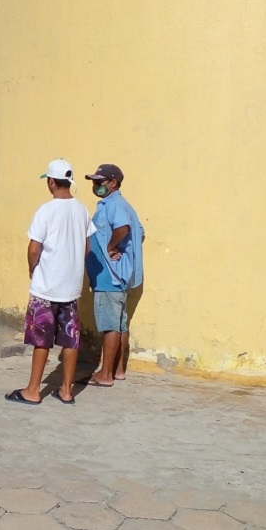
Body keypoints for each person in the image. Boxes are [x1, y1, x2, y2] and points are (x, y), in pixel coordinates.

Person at [5, 160, 96, 405]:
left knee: (41, 339)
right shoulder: (82, 210)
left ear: (51, 181)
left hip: (46, 287)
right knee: (70, 338)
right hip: (71, 287)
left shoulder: (45, 210)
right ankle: (66, 390)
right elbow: (87, 247)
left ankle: (33, 390)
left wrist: (31, 268)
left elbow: (34, 248)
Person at [84, 163, 144, 386]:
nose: (96, 185)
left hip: (109, 277)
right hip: (120, 277)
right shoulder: (122, 205)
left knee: (110, 326)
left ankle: (105, 375)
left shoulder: (115, 205)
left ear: (113, 183)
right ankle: (118, 370)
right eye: (94, 182)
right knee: (120, 325)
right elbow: (139, 232)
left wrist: (111, 247)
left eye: (100, 182)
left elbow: (124, 229)